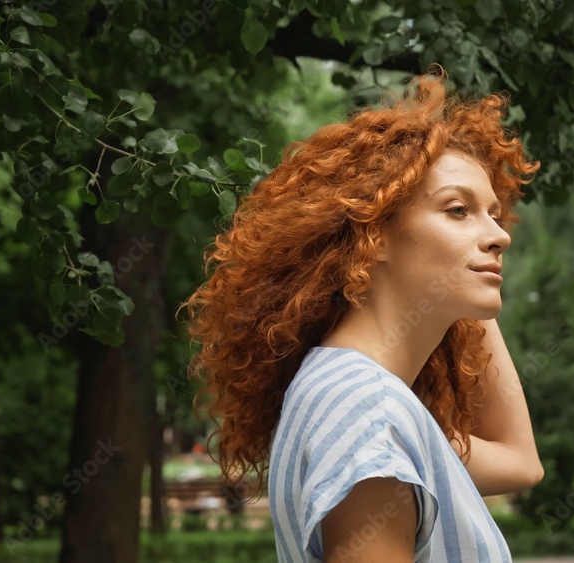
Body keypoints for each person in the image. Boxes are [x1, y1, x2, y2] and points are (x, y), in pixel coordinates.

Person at [179, 64, 543, 562]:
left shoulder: (359, 396)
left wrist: (466, 277)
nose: (500, 236)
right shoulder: (366, 407)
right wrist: (465, 269)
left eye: (494, 216)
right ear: (374, 234)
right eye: (457, 210)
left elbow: (521, 463)